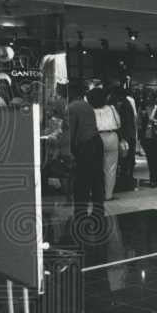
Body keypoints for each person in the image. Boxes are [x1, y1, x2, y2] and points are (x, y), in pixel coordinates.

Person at [67, 81, 104, 216]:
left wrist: (70, 151)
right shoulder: (87, 106)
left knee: (82, 180)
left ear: (71, 93)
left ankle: (80, 211)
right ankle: (98, 208)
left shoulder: (71, 107)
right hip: (96, 142)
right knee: (97, 178)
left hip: (85, 146)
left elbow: (71, 131)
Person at [89, 87, 121, 200]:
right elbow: (118, 123)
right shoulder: (111, 108)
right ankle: (108, 195)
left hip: (96, 137)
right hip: (112, 136)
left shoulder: (90, 109)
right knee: (110, 168)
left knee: (95, 167)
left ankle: (96, 193)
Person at [110, 85, 137, 192]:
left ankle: (125, 183)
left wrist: (122, 137)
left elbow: (123, 123)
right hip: (129, 135)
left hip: (125, 136)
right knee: (127, 161)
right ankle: (127, 181)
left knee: (124, 160)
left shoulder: (122, 105)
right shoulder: (127, 103)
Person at [140, 94, 157, 187]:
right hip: (150, 137)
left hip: (154, 136)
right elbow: (145, 121)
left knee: (155, 159)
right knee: (153, 159)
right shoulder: (145, 109)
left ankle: (154, 178)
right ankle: (154, 178)